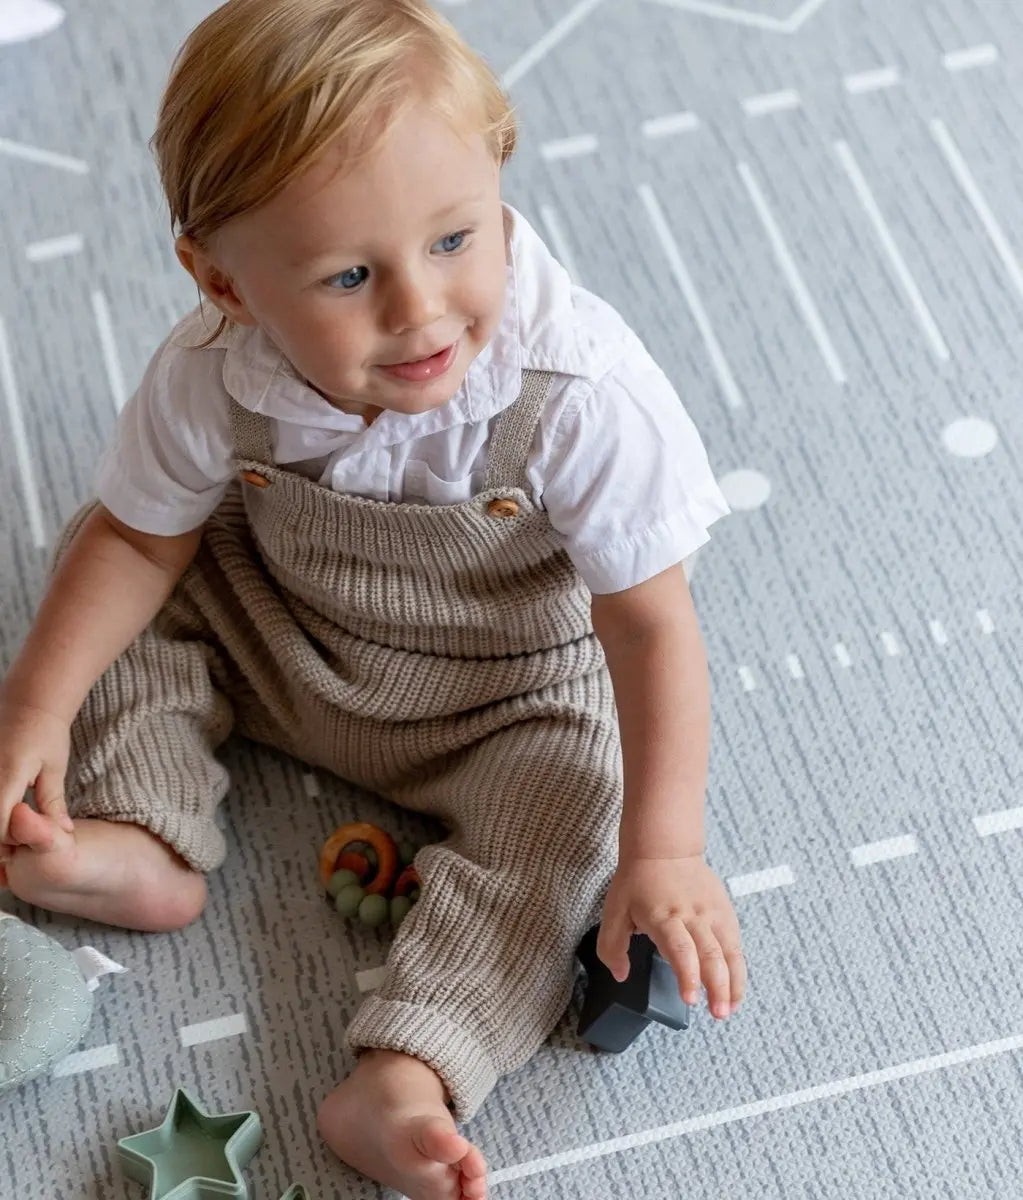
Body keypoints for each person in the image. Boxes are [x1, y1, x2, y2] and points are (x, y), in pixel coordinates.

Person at [0, 1, 746, 1196]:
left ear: (497, 169)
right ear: (223, 281)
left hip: (506, 695)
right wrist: (32, 707)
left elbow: (650, 622)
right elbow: (139, 539)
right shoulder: (210, 373)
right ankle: (142, 830)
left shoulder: (579, 390)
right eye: (350, 276)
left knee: (573, 825)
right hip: (280, 623)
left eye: (454, 239)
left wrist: (667, 851)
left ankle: (405, 1073)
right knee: (107, 603)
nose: (418, 310)